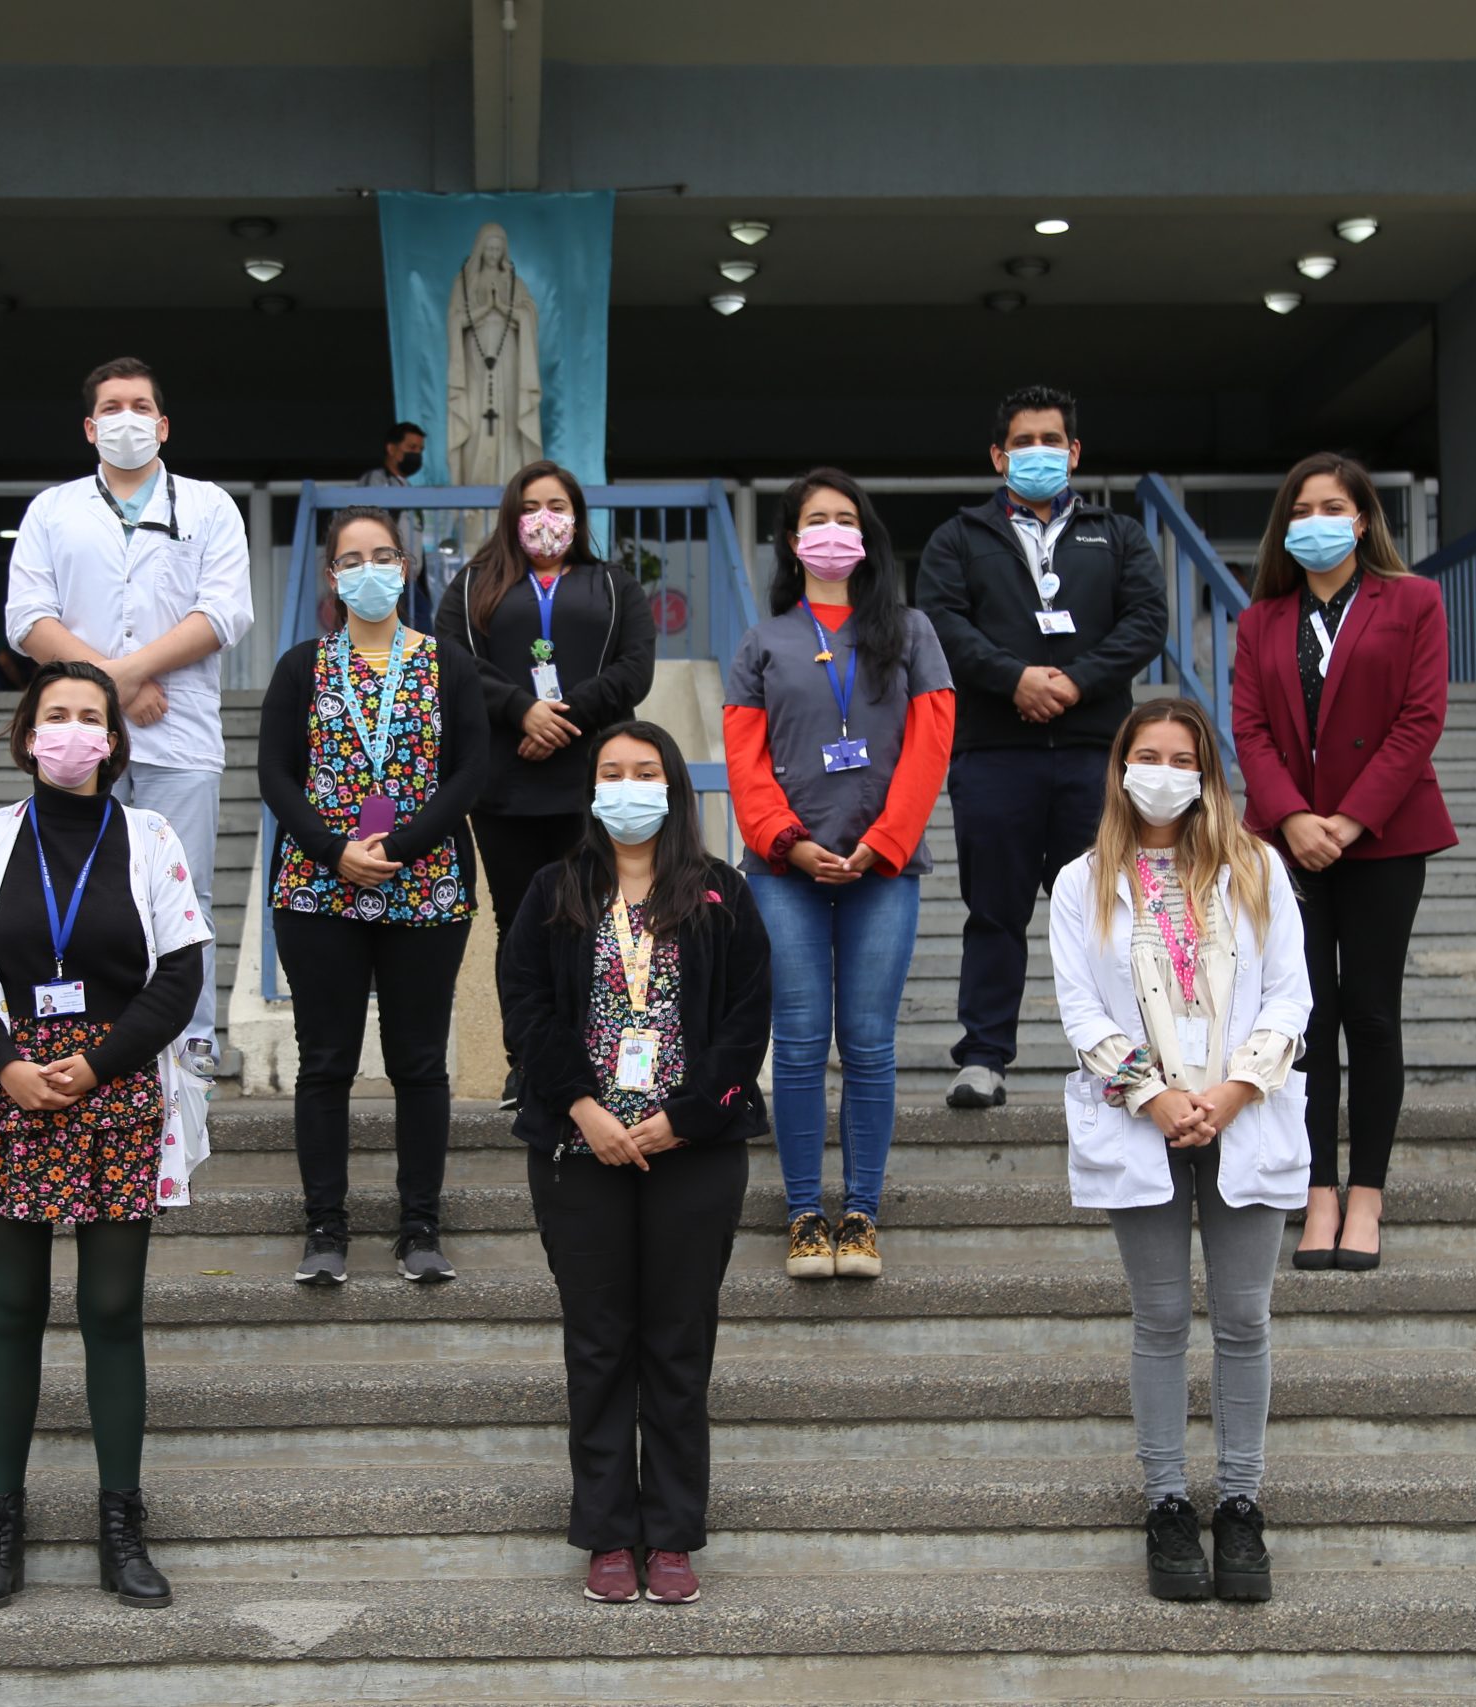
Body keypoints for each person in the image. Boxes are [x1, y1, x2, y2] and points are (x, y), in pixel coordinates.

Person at [0, 659, 212, 1614]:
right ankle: (0, 1526)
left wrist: (96, 1066)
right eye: (56, 714)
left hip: (117, 1088)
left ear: (113, 738)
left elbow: (178, 976)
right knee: (10, 1309)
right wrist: (10, 1067)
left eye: (91, 716)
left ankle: (121, 1526)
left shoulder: (150, 835)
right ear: (25, 733)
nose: (74, 729)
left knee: (111, 1310)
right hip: (12, 1091)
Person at [500, 720, 771, 1609]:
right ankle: (610, 1531)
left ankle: (675, 1532)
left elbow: (743, 1024)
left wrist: (682, 1120)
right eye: (611, 772)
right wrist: (584, 1105)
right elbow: (529, 1012)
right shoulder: (552, 890)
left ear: (672, 787)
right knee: (600, 1343)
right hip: (581, 1150)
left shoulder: (721, 893)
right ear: (591, 790)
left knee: (678, 1343)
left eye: (645, 771)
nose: (627, 786)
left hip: (691, 1151)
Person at [1047, 696, 1311, 1604]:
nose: (1162, 770)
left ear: (1205, 775)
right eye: (1145, 753)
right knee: (1160, 1319)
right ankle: (1166, 1503)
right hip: (1142, 1121)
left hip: (1244, 1114)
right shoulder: (1082, 883)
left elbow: (1290, 999)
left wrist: (1233, 1093)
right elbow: (1080, 1011)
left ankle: (1240, 1501)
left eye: (1180, 756)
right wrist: (1154, 1097)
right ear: (1122, 765)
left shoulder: (1259, 869)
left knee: (1243, 1318)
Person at [722, 470, 953, 1279]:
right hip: (785, 871)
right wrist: (786, 840)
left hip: (882, 870)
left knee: (868, 1045)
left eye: (843, 518)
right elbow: (745, 766)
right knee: (795, 1045)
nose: (829, 531)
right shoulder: (761, 642)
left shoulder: (913, 631)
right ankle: (800, 1215)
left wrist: (884, 841)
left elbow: (930, 748)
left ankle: (859, 1211)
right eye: (814, 520)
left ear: (865, 537)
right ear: (791, 540)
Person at [915, 384, 1168, 1111]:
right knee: (994, 911)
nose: (1037, 453)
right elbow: (943, 624)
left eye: (1050, 441)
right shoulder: (957, 538)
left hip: (1094, 750)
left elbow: (1147, 619)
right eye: (1022, 442)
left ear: (1075, 451)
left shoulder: (1116, 535)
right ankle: (985, 1058)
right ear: (998, 455)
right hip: (994, 751)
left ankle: (1127, 1056)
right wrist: (1014, 678)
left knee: (1106, 911)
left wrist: (1077, 682)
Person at [1232, 453, 1455, 1271]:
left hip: (1385, 838)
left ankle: (1367, 1193)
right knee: (1304, 1018)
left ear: (1362, 519)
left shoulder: (1415, 601)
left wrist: (1348, 821)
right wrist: (1293, 817)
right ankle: (1315, 1188)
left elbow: (1420, 719)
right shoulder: (1261, 618)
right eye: (1301, 507)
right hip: (1288, 841)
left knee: (1370, 1011)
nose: (1315, 520)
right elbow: (1249, 731)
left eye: (1333, 505)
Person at [4, 357, 254, 1079]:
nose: (127, 418)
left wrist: (125, 674)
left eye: (140, 405)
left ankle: (191, 1038)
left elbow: (224, 611)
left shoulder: (209, 507)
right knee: (74, 882)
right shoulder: (53, 510)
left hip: (179, 731)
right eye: (111, 407)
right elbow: (29, 617)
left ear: (163, 423)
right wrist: (112, 689)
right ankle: (87, 1029)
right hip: (76, 733)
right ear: (90, 427)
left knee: (186, 886)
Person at [259, 505, 490, 1284]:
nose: (369, 569)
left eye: (383, 554)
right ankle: (326, 1228)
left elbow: (469, 771)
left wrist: (398, 845)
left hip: (423, 888)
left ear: (407, 566)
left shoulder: (446, 662)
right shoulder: (302, 667)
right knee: (324, 1061)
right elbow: (274, 775)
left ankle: (419, 1226)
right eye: (351, 558)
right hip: (318, 889)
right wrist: (334, 851)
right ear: (332, 576)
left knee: (419, 1062)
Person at [436, 460, 657, 1109]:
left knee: (597, 922)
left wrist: (565, 716)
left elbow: (636, 667)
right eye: (531, 505)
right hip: (503, 785)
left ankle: (592, 1058)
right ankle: (527, 1063)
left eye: (557, 504)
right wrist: (519, 709)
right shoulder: (475, 581)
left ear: (578, 515)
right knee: (520, 926)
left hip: (592, 785)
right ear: (512, 514)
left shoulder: (613, 584)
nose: (544, 517)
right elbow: (453, 662)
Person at [357, 420, 434, 625]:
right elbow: (368, 524)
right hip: (384, 578)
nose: (416, 454)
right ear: (392, 448)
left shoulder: (409, 487)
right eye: (411, 448)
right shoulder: (375, 479)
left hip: (411, 582)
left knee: (423, 642)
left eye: (420, 450)